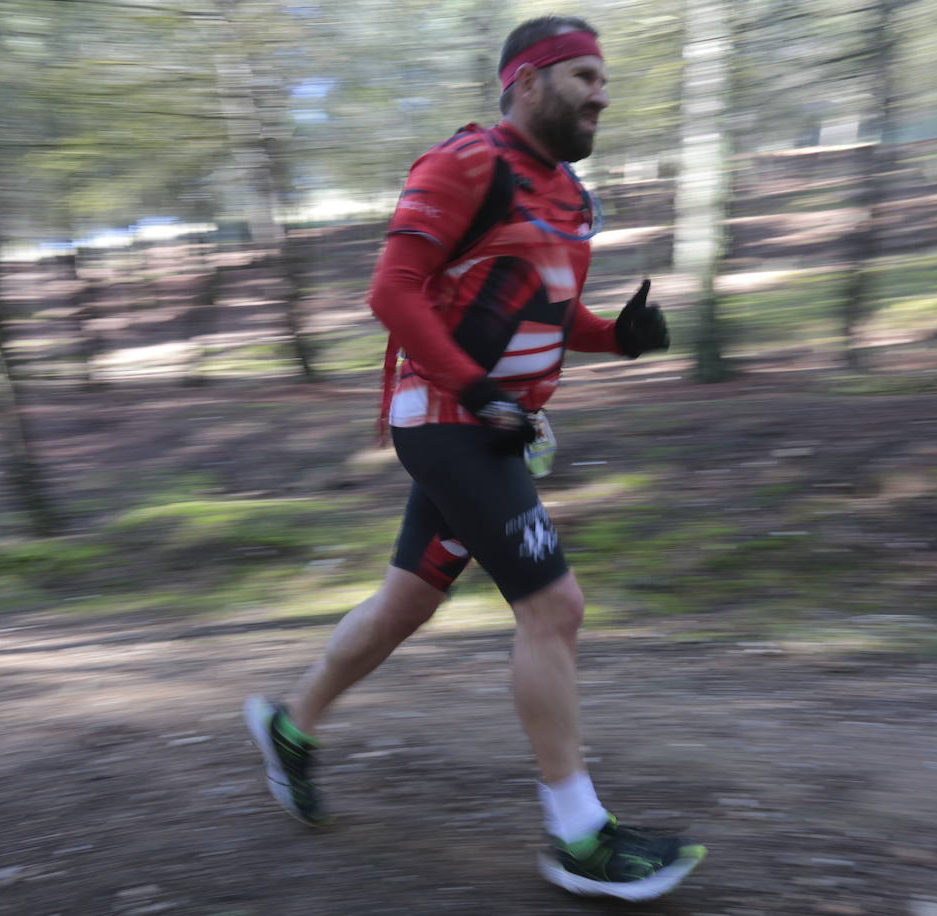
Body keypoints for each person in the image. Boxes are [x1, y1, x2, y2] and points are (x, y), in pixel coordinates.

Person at [245, 15, 705, 902]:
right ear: (526, 83)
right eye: (581, 76)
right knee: (554, 607)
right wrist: (479, 390)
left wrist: (619, 338)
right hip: (449, 419)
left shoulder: (567, 193)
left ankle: (291, 730)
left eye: (603, 78)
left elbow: (540, 305)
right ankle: (580, 835)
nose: (600, 92)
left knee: (404, 603)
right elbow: (393, 291)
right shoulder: (462, 166)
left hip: (492, 428)